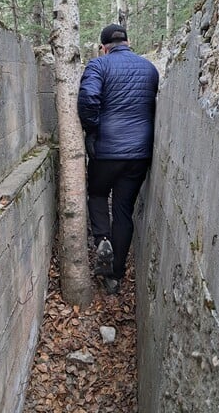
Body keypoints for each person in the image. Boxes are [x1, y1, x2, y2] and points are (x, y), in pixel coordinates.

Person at [77, 24, 159, 294]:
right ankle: (115, 276)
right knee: (123, 210)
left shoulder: (98, 66)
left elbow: (88, 98)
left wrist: (93, 129)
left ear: (104, 47)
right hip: (139, 153)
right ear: (128, 41)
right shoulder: (150, 69)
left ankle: (102, 239)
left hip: (107, 150)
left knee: (98, 194)